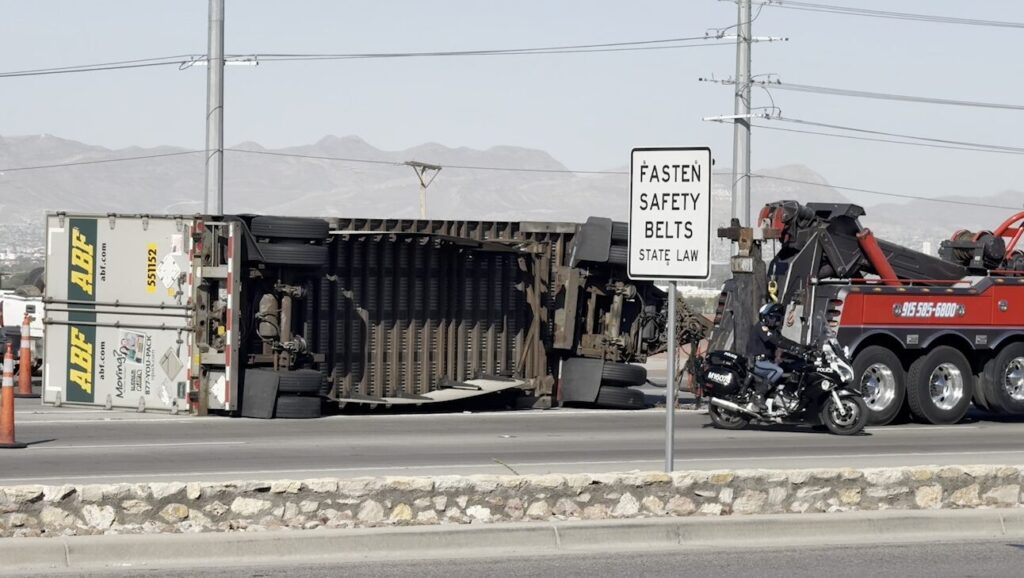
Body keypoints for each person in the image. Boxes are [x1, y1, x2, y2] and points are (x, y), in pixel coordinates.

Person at [747, 303, 806, 410]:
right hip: (757, 363)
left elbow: (783, 340)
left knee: (796, 366)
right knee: (778, 371)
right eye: (773, 317)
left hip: (768, 362)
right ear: (764, 317)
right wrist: (794, 348)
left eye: (778, 317)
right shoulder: (761, 327)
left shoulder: (773, 330)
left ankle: (785, 395)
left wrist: (803, 347)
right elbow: (777, 341)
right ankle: (758, 395)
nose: (776, 320)